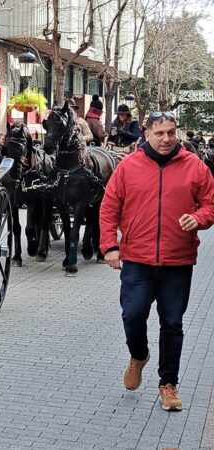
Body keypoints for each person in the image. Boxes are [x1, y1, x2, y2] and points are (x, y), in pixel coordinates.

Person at [99, 111, 214, 412]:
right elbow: (109, 207)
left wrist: (199, 218)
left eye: (171, 133)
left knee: (172, 323)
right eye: (160, 133)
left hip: (178, 260)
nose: (166, 139)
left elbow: (210, 204)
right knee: (132, 316)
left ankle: (168, 384)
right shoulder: (127, 167)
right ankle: (139, 355)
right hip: (136, 258)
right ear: (146, 133)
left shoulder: (196, 167)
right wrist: (110, 245)